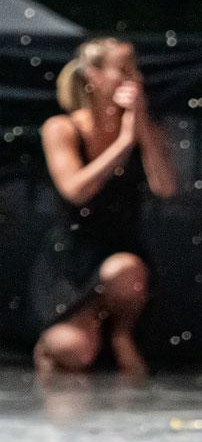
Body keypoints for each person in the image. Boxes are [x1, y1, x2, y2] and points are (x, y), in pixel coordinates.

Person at [33, 38, 178, 375]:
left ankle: (120, 333)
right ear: (93, 76)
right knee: (74, 351)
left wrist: (140, 127)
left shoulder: (146, 128)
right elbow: (76, 191)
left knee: (124, 270)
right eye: (123, 70)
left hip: (122, 253)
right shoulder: (62, 127)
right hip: (72, 257)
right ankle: (68, 335)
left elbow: (165, 187)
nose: (134, 79)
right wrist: (123, 143)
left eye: (135, 70)